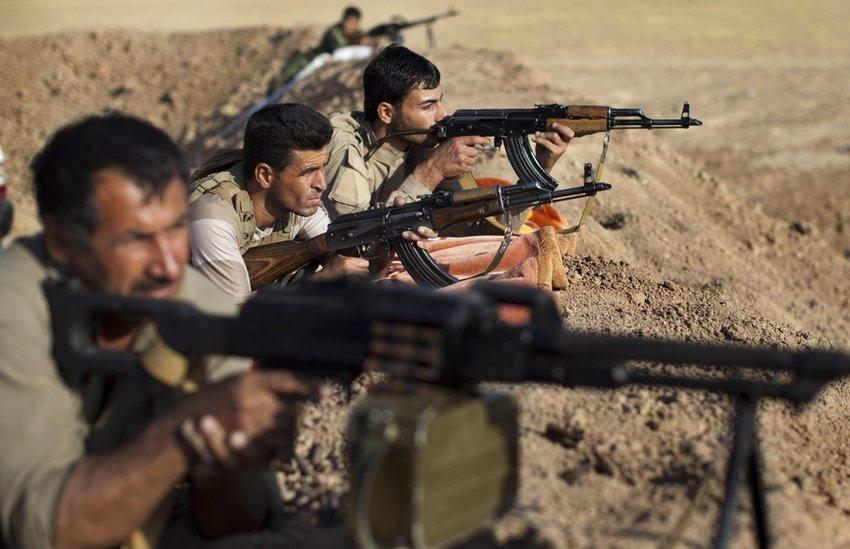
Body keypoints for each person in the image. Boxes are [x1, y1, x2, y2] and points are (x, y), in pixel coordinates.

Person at [0, 113, 319, 548]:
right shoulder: (14, 305)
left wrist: (219, 458)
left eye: (174, 230)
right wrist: (181, 433)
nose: (169, 265)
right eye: (136, 239)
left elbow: (246, 521)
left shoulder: (197, 304)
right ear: (61, 243)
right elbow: (38, 532)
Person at [189, 103, 422, 301]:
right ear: (265, 176)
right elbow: (239, 323)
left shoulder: (296, 204)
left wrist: (384, 245)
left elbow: (345, 258)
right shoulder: (213, 217)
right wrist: (320, 281)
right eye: (309, 171)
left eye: (323, 167)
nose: (321, 183)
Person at [322, 44, 575, 218]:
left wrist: (539, 168)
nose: (442, 114)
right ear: (386, 113)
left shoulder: (422, 144)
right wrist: (431, 172)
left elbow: (482, 228)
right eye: (428, 105)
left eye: (440, 101)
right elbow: (353, 243)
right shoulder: (344, 145)